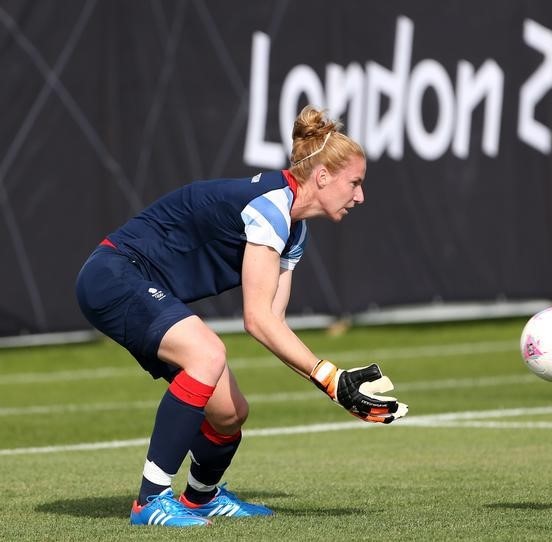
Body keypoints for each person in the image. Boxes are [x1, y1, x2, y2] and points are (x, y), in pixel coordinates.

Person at [75, 105, 408, 527]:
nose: (360, 196)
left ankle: (201, 497)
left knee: (230, 414)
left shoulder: (294, 229)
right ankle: (150, 500)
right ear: (322, 176)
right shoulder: (271, 208)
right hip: (113, 273)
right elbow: (257, 320)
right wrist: (331, 380)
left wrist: (334, 383)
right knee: (208, 353)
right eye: (355, 182)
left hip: (134, 282)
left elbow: (273, 323)